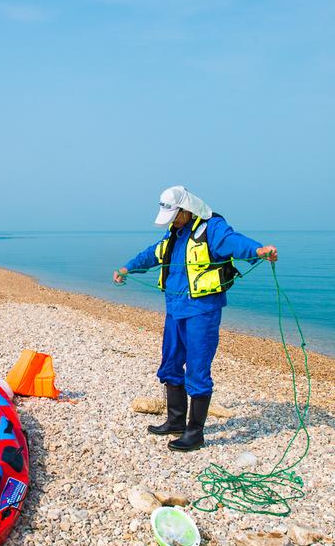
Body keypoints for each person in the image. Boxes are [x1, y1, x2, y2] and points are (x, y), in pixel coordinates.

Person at [113, 186, 277, 452]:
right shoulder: (174, 233)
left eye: (175, 216)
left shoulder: (212, 228)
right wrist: (127, 267)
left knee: (198, 370)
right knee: (170, 363)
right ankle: (176, 421)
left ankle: (195, 433)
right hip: (175, 309)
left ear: (186, 209)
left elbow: (234, 242)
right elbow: (153, 253)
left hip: (203, 311)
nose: (173, 221)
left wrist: (259, 251)